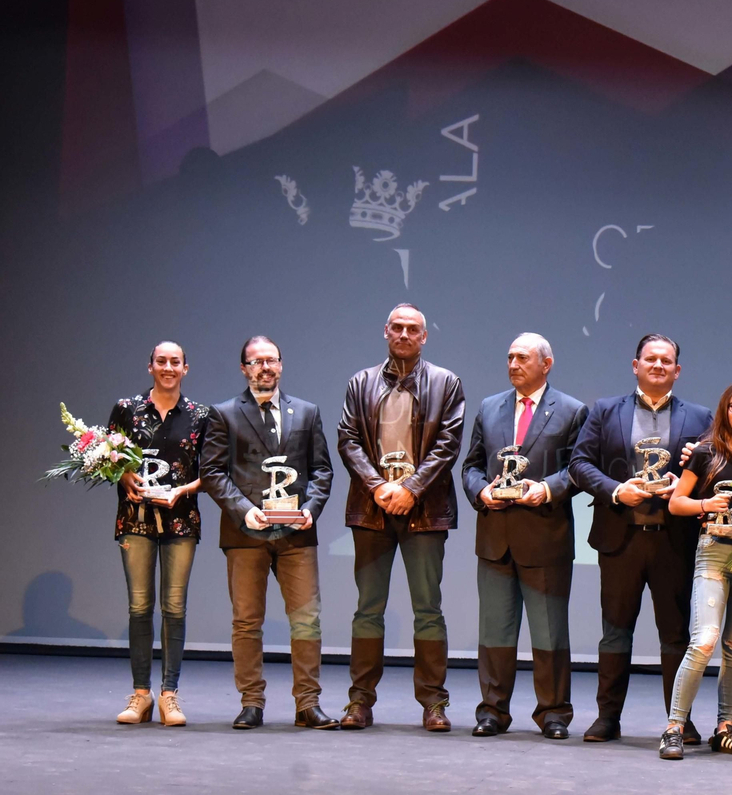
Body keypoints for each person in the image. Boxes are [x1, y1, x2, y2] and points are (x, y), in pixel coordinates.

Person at [570, 335, 712, 742]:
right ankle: (607, 718)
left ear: (677, 371)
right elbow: (578, 464)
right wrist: (617, 489)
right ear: (636, 366)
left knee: (676, 636)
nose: (658, 366)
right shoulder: (603, 411)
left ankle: (679, 721)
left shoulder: (701, 417)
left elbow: (714, 471)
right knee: (615, 633)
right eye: (651, 359)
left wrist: (683, 485)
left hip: (674, 541)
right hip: (621, 538)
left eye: (666, 361)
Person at [336, 303, 465, 732]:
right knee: (367, 609)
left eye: (414, 329)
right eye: (398, 327)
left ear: (424, 337)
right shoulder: (361, 382)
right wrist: (378, 487)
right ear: (385, 332)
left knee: (428, 609)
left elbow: (447, 445)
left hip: (424, 511)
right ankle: (360, 702)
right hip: (372, 510)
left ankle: (433, 703)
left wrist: (410, 489)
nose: (405, 334)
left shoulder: (447, 383)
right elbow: (348, 440)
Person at [200, 336, 336, 729]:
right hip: (246, 535)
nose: (265, 367)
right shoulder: (224, 413)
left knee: (307, 620)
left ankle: (307, 705)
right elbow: (211, 472)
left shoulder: (307, 412)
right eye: (256, 361)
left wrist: (310, 510)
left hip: (296, 535)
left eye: (271, 360)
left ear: (281, 365)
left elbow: (322, 469)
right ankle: (251, 703)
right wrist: (245, 511)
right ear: (244, 368)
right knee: (246, 621)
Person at [460, 333, 589, 738]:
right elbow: (472, 466)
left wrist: (547, 487)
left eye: (522, 358)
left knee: (550, 632)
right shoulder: (489, 407)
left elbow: (578, 468)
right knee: (494, 631)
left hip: (545, 536)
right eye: (510, 357)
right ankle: (492, 712)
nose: (513, 364)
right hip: (496, 536)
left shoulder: (571, 410)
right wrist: (481, 491)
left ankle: (553, 713)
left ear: (546, 364)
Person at [658, 383, 732, 759]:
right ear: (725, 410)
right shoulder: (707, 453)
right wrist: (707, 502)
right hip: (714, 552)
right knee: (704, 639)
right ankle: (674, 726)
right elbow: (676, 504)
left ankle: (725, 727)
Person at [109, 341, 210, 726]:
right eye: (161, 361)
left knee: (174, 607)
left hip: (181, 521)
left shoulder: (200, 415)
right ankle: (140, 695)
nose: (168, 367)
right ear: (149, 366)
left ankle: (170, 695)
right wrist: (123, 474)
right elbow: (105, 457)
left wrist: (183, 490)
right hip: (134, 519)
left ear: (186, 368)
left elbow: (213, 471)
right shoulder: (127, 409)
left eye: (176, 362)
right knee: (138, 607)